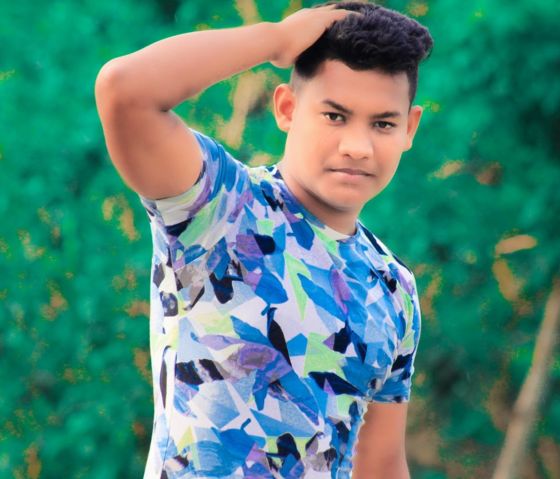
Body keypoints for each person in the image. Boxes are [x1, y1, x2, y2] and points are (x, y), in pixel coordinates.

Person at [95, 1, 433, 477]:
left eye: (382, 123)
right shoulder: (220, 207)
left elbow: (381, 465)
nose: (357, 146)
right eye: (335, 116)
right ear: (287, 108)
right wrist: (277, 39)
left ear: (409, 128)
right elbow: (124, 90)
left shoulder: (393, 288)